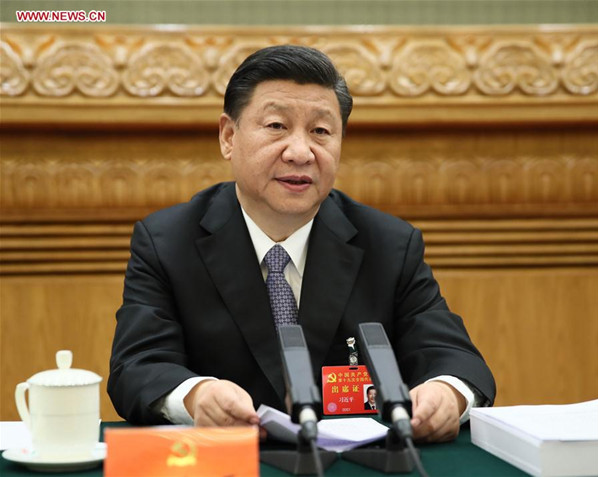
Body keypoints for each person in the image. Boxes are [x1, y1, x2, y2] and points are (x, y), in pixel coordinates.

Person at [108, 45, 495, 443]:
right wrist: (194, 396)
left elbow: (456, 358)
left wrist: (448, 394)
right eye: (276, 126)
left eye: (321, 132)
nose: (300, 152)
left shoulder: (389, 245)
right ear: (228, 136)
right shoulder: (167, 242)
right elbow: (136, 366)